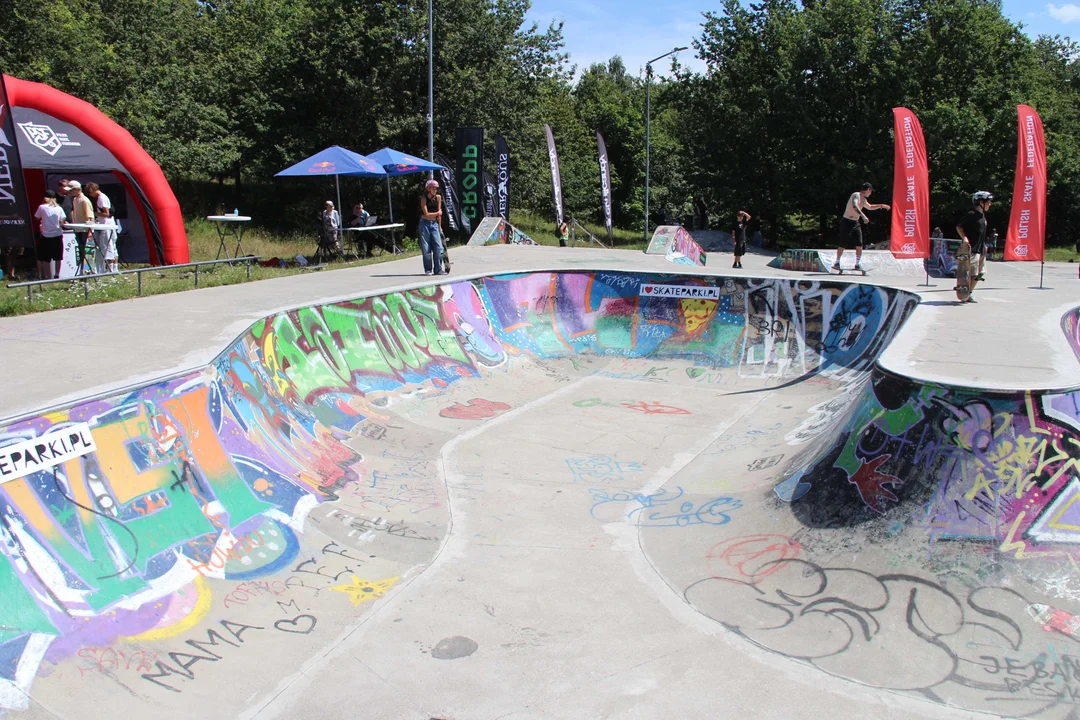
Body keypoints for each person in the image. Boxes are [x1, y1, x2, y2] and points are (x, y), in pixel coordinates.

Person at [834, 182, 890, 271]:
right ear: (868, 190)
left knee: (859, 244)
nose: (871, 193)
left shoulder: (863, 200)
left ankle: (857, 264)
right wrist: (863, 216)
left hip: (855, 223)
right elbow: (855, 205)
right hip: (847, 222)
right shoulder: (856, 195)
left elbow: (870, 207)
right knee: (843, 243)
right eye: (871, 192)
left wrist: (881, 206)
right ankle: (837, 262)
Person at [956, 191, 992, 301]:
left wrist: (984, 245)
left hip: (981, 249)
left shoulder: (983, 216)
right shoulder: (971, 214)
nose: (990, 204)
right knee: (971, 273)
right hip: (972, 249)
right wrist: (964, 237)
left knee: (980, 273)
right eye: (988, 202)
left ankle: (968, 293)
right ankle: (964, 292)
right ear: (981, 202)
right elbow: (959, 226)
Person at [85, 182, 119, 273]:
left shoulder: (101, 198)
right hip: (109, 224)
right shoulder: (103, 197)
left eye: (90, 193)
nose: (90, 195)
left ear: (92, 190)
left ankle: (110, 269)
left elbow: (106, 213)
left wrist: (94, 213)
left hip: (106, 224)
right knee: (112, 245)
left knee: (108, 246)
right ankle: (114, 268)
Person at [33, 190, 66, 280]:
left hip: (46, 235)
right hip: (57, 234)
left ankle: (42, 274)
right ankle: (57, 274)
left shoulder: (42, 207)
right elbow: (62, 220)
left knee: (42, 257)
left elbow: (36, 217)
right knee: (58, 257)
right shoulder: (59, 208)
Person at [65, 180, 95, 274]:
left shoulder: (85, 200)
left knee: (87, 252)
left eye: (72, 190)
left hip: (85, 230)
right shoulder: (74, 199)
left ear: (78, 189)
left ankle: (88, 271)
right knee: (81, 251)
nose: (70, 192)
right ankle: (82, 272)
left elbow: (90, 217)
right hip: (78, 229)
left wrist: (90, 231)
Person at [418, 180, 445, 275]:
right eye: (433, 188)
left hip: (434, 224)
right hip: (424, 223)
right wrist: (437, 213)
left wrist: (440, 226)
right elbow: (426, 214)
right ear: (428, 189)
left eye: (436, 188)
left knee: (439, 247)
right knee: (426, 248)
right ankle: (428, 269)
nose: (435, 190)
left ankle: (438, 269)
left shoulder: (438, 197)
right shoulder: (424, 199)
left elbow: (439, 215)